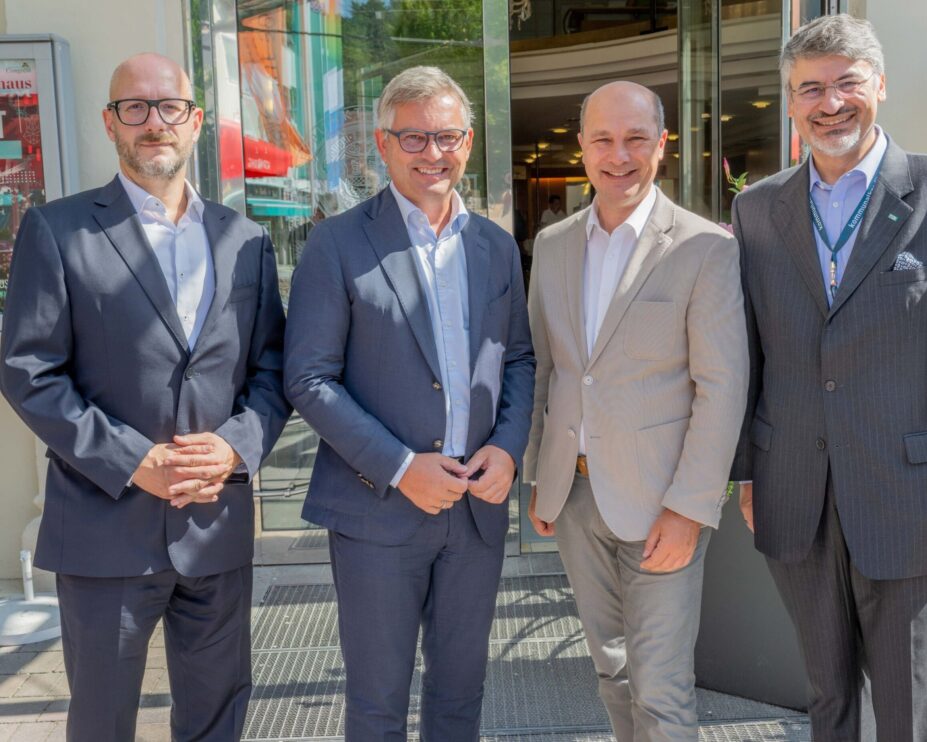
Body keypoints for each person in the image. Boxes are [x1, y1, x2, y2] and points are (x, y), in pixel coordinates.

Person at [731, 14, 927, 741]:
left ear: (880, 87)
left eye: (846, 83)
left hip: (914, 501)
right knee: (827, 695)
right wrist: (747, 474)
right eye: (810, 89)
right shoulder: (758, 208)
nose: (830, 103)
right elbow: (748, 351)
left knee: (910, 700)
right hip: (796, 489)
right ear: (791, 103)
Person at [0, 53, 289, 741]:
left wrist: (234, 446)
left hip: (215, 528)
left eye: (169, 108)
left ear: (194, 124)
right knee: (102, 722)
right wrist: (135, 460)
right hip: (105, 530)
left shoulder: (245, 240)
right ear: (110, 122)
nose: (153, 122)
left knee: (218, 717)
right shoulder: (56, 229)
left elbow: (273, 368)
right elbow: (27, 369)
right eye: (135, 107)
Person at [283, 66, 534, 740]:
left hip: (475, 512)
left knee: (460, 696)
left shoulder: (495, 246)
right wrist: (400, 467)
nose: (433, 153)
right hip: (377, 510)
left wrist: (508, 448)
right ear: (383, 146)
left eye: (447, 136)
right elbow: (307, 378)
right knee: (377, 703)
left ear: (469, 141)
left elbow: (517, 359)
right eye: (414, 138)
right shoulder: (337, 244)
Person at [524, 80, 748, 741]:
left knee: (662, 689)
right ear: (583, 146)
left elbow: (722, 388)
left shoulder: (705, 248)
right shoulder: (555, 243)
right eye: (603, 140)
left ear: (662, 145)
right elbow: (549, 369)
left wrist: (690, 508)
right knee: (611, 673)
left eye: (635, 139)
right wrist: (541, 475)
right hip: (574, 495)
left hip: (661, 503)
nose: (618, 156)